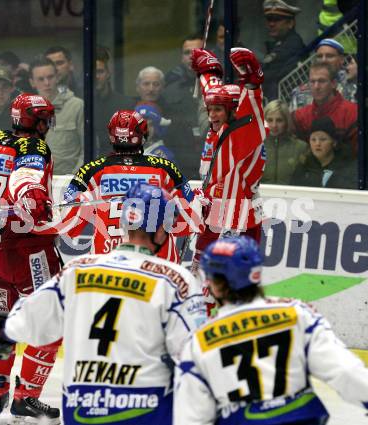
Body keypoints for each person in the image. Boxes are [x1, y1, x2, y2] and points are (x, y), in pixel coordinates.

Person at [0, 183, 207, 425]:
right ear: (162, 230)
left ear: (123, 223)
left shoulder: (77, 271)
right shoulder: (176, 280)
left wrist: (0, 329)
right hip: (145, 409)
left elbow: (6, 330)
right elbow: (196, 357)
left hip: (83, 408)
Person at [174, 235, 368, 424]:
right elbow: (346, 372)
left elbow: (190, 417)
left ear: (214, 284)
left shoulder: (198, 342)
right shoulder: (297, 314)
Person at [0, 94, 62, 423]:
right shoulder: (33, 148)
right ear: (31, 121)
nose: (47, 126)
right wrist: (33, 199)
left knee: (0, 320)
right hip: (29, 247)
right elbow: (28, 181)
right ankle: (26, 397)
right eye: (43, 119)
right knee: (50, 320)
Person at [62, 109, 202, 263]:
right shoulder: (165, 167)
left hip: (106, 258)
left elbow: (68, 211)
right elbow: (191, 208)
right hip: (157, 259)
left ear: (111, 136)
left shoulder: (91, 169)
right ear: (143, 135)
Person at [189, 47, 267, 273]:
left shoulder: (246, 131)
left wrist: (252, 82)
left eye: (217, 110)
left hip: (238, 212)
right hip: (217, 205)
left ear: (233, 111)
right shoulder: (223, 120)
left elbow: (252, 103)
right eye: (209, 109)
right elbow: (213, 91)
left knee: (229, 277)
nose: (211, 115)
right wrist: (208, 69)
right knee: (199, 273)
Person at [29, 55, 84, 174]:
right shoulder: (26, 111)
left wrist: (73, 180)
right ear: (32, 82)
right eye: (41, 79)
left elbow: (88, 149)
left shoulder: (77, 106)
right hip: (36, 182)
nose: (47, 83)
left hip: (68, 181)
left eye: (50, 77)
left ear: (57, 77)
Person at [292, 61, 358, 156]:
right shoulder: (299, 116)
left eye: (322, 81)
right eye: (312, 81)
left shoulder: (353, 113)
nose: (316, 86)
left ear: (334, 84)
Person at [163, 34, 205, 179]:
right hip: (181, 164)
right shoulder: (169, 90)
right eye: (187, 53)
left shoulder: (220, 85)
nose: (192, 57)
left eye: (197, 52)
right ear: (182, 58)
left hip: (214, 161)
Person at [290, 38, 357, 111]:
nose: (323, 60)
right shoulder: (299, 93)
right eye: (319, 56)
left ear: (341, 60)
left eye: (329, 56)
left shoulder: (354, 85)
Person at [290, 116, 356, 189]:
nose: (317, 143)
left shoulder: (347, 168)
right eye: (313, 139)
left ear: (334, 142)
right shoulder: (303, 167)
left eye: (323, 139)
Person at [261, 0, 305, 101]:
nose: (271, 24)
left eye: (277, 19)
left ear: (290, 23)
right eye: (269, 19)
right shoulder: (278, 44)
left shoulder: (293, 44)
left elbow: (268, 74)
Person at [94, 45, 132, 156]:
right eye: (92, 72)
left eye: (100, 72)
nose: (96, 76)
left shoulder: (125, 104)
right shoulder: (80, 103)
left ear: (108, 73)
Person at [262, 100, 307, 185]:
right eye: (270, 120)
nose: (274, 125)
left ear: (286, 122)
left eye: (279, 120)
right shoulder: (254, 147)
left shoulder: (300, 147)